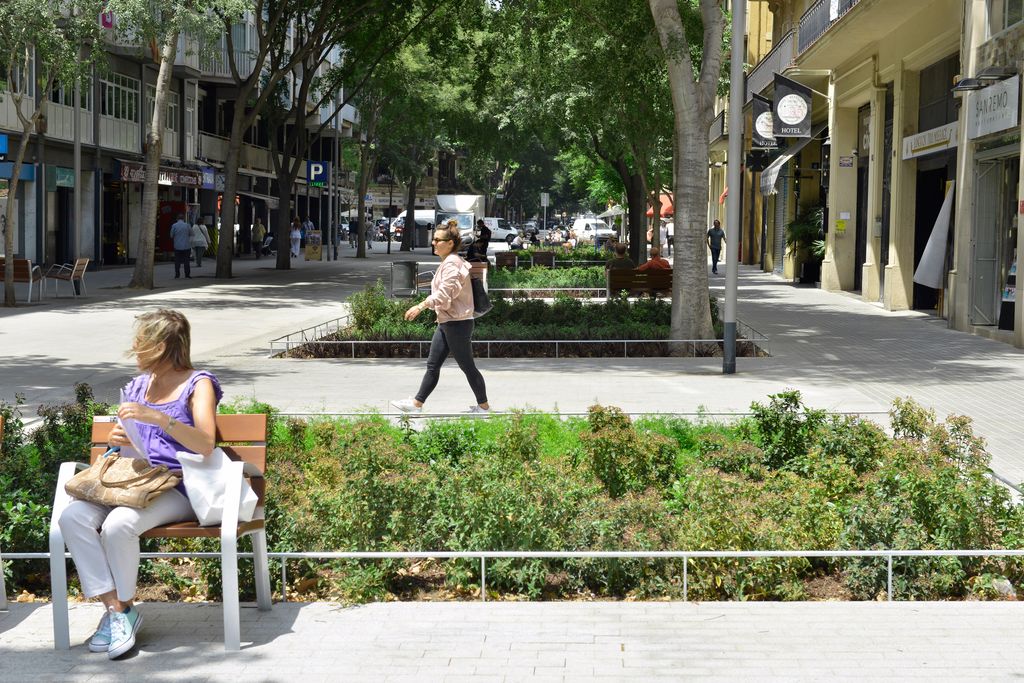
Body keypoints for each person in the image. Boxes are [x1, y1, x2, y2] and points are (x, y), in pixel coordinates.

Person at [58, 309, 222, 659]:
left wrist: (161, 419)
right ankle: (117, 610)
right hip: (132, 481)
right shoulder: (137, 386)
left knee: (119, 524)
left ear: (161, 346)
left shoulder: (198, 383)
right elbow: (126, 444)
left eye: (140, 341)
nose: (134, 347)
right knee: (71, 518)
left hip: (176, 486)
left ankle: (123, 610)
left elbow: (206, 443)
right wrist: (117, 438)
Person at [392, 221, 489, 415]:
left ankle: (484, 407)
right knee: (433, 364)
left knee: (467, 366)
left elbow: (444, 295)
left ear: (451, 243)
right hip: (448, 321)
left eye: (437, 240)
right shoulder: (448, 262)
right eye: (433, 239)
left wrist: (420, 306)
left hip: (457, 324)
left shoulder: (452, 263)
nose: (433, 243)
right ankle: (417, 404)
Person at [169, 214, 192, 279]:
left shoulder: (174, 225)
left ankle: (177, 274)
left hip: (177, 246)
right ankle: (187, 274)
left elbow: (171, 235)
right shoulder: (187, 225)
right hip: (186, 246)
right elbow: (192, 233)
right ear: (183, 219)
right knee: (186, 261)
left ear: (177, 219)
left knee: (177, 261)